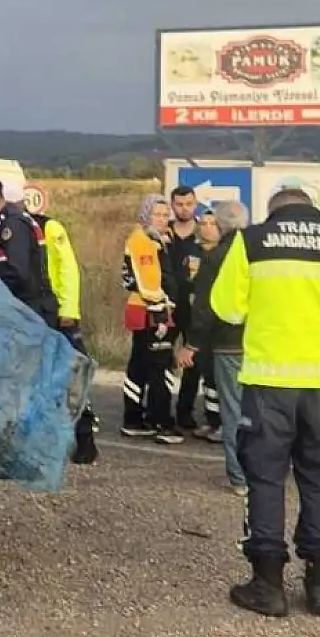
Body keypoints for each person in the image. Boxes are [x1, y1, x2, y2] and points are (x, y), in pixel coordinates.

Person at [209, 188, 320, 618]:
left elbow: (226, 308)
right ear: (314, 210)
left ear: (274, 213)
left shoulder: (252, 242)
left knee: (265, 478)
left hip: (270, 381)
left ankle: (267, 586)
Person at [181, 200, 249, 493]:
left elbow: (205, 306)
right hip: (261, 343)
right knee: (262, 411)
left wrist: (192, 344)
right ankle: (266, 472)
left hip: (228, 343)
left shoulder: (215, 257)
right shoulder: (258, 253)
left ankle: (240, 477)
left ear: (219, 225)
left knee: (233, 412)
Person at [28, 185, 98, 464]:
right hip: (37, 315)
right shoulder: (13, 227)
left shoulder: (50, 227)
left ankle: (85, 437)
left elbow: (68, 270)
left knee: (74, 378)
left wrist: (68, 310)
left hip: (60, 316)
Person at [120, 194, 183, 444]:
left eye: (165, 214)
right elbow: (147, 282)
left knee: (139, 365)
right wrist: (162, 310)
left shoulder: (156, 239)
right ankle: (162, 423)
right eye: (157, 214)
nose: (162, 218)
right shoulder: (142, 240)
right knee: (159, 367)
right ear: (146, 215)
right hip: (151, 311)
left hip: (144, 309)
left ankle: (134, 418)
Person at [0, 178, 59, 328]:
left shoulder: (12, 225)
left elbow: (18, 272)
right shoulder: (7, 220)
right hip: (29, 306)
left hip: (30, 307)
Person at [181, 209, 225, 442]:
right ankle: (211, 418)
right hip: (197, 320)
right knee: (206, 375)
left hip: (219, 324)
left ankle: (223, 422)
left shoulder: (226, 255)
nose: (207, 227)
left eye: (213, 223)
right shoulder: (193, 252)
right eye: (204, 222)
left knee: (220, 376)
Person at [165, 186, 204, 432]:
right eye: (179, 204)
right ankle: (161, 409)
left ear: (195, 204)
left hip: (194, 305)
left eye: (188, 204)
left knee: (194, 361)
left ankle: (185, 411)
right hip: (167, 305)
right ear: (172, 205)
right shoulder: (162, 232)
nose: (184, 209)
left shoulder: (204, 234)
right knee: (162, 358)